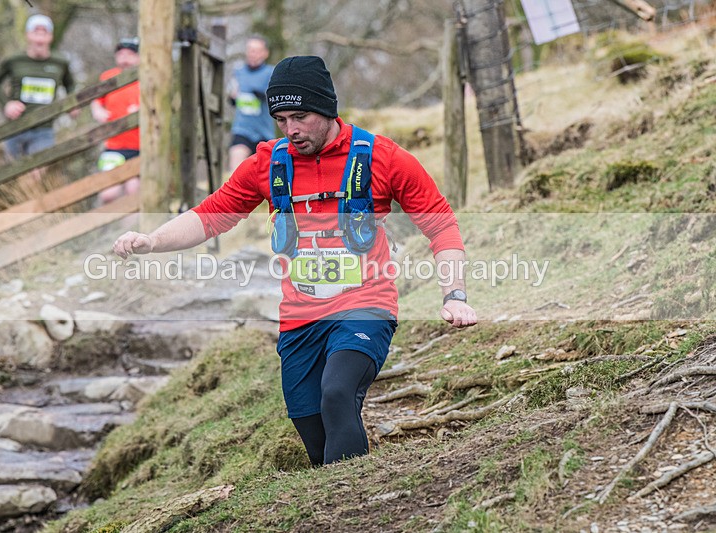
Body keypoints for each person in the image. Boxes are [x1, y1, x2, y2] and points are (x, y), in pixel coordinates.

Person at [113, 56, 477, 466]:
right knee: (313, 429)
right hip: (300, 317)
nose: (291, 130)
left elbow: (441, 226)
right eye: (282, 119)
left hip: (364, 305)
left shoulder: (383, 158)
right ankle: (339, 493)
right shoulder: (268, 164)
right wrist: (152, 239)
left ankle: (344, 504)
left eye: (300, 116)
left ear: (327, 108)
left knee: (338, 394)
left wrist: (454, 294)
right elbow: (210, 215)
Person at [0, 14, 76, 158]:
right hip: (15, 127)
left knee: (35, 175)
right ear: (28, 35)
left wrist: (72, 104)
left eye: (44, 32)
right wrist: (6, 104)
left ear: (50, 37)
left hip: (44, 129)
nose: (40, 38)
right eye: (36, 32)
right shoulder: (14, 60)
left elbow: (70, 85)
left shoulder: (60, 62)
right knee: (13, 175)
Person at [91, 37, 141, 203]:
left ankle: (132, 228)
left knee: (133, 192)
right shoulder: (108, 77)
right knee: (108, 194)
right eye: (121, 54)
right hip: (113, 145)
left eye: (130, 54)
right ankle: (107, 228)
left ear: (138, 57)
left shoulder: (145, 78)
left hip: (138, 147)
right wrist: (98, 111)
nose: (125, 58)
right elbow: (96, 101)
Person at [227, 36, 275, 173]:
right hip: (242, 129)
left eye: (257, 50)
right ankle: (234, 192)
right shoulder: (238, 72)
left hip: (263, 132)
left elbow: (272, 98)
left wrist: (261, 94)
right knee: (236, 167)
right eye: (250, 50)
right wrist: (233, 97)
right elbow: (233, 97)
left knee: (265, 174)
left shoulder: (270, 73)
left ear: (265, 53)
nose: (253, 54)